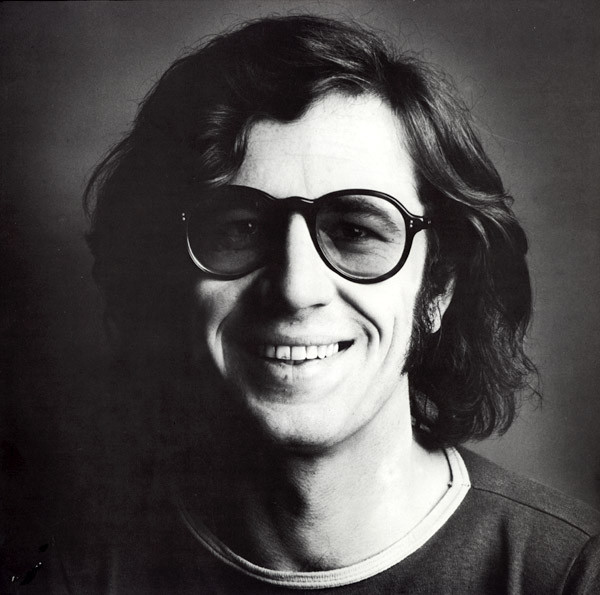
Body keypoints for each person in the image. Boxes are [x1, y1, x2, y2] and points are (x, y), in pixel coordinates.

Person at [21, 14, 599, 594]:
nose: (296, 288)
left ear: (439, 288)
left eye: (355, 231)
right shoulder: (76, 572)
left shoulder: (568, 575)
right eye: (241, 228)